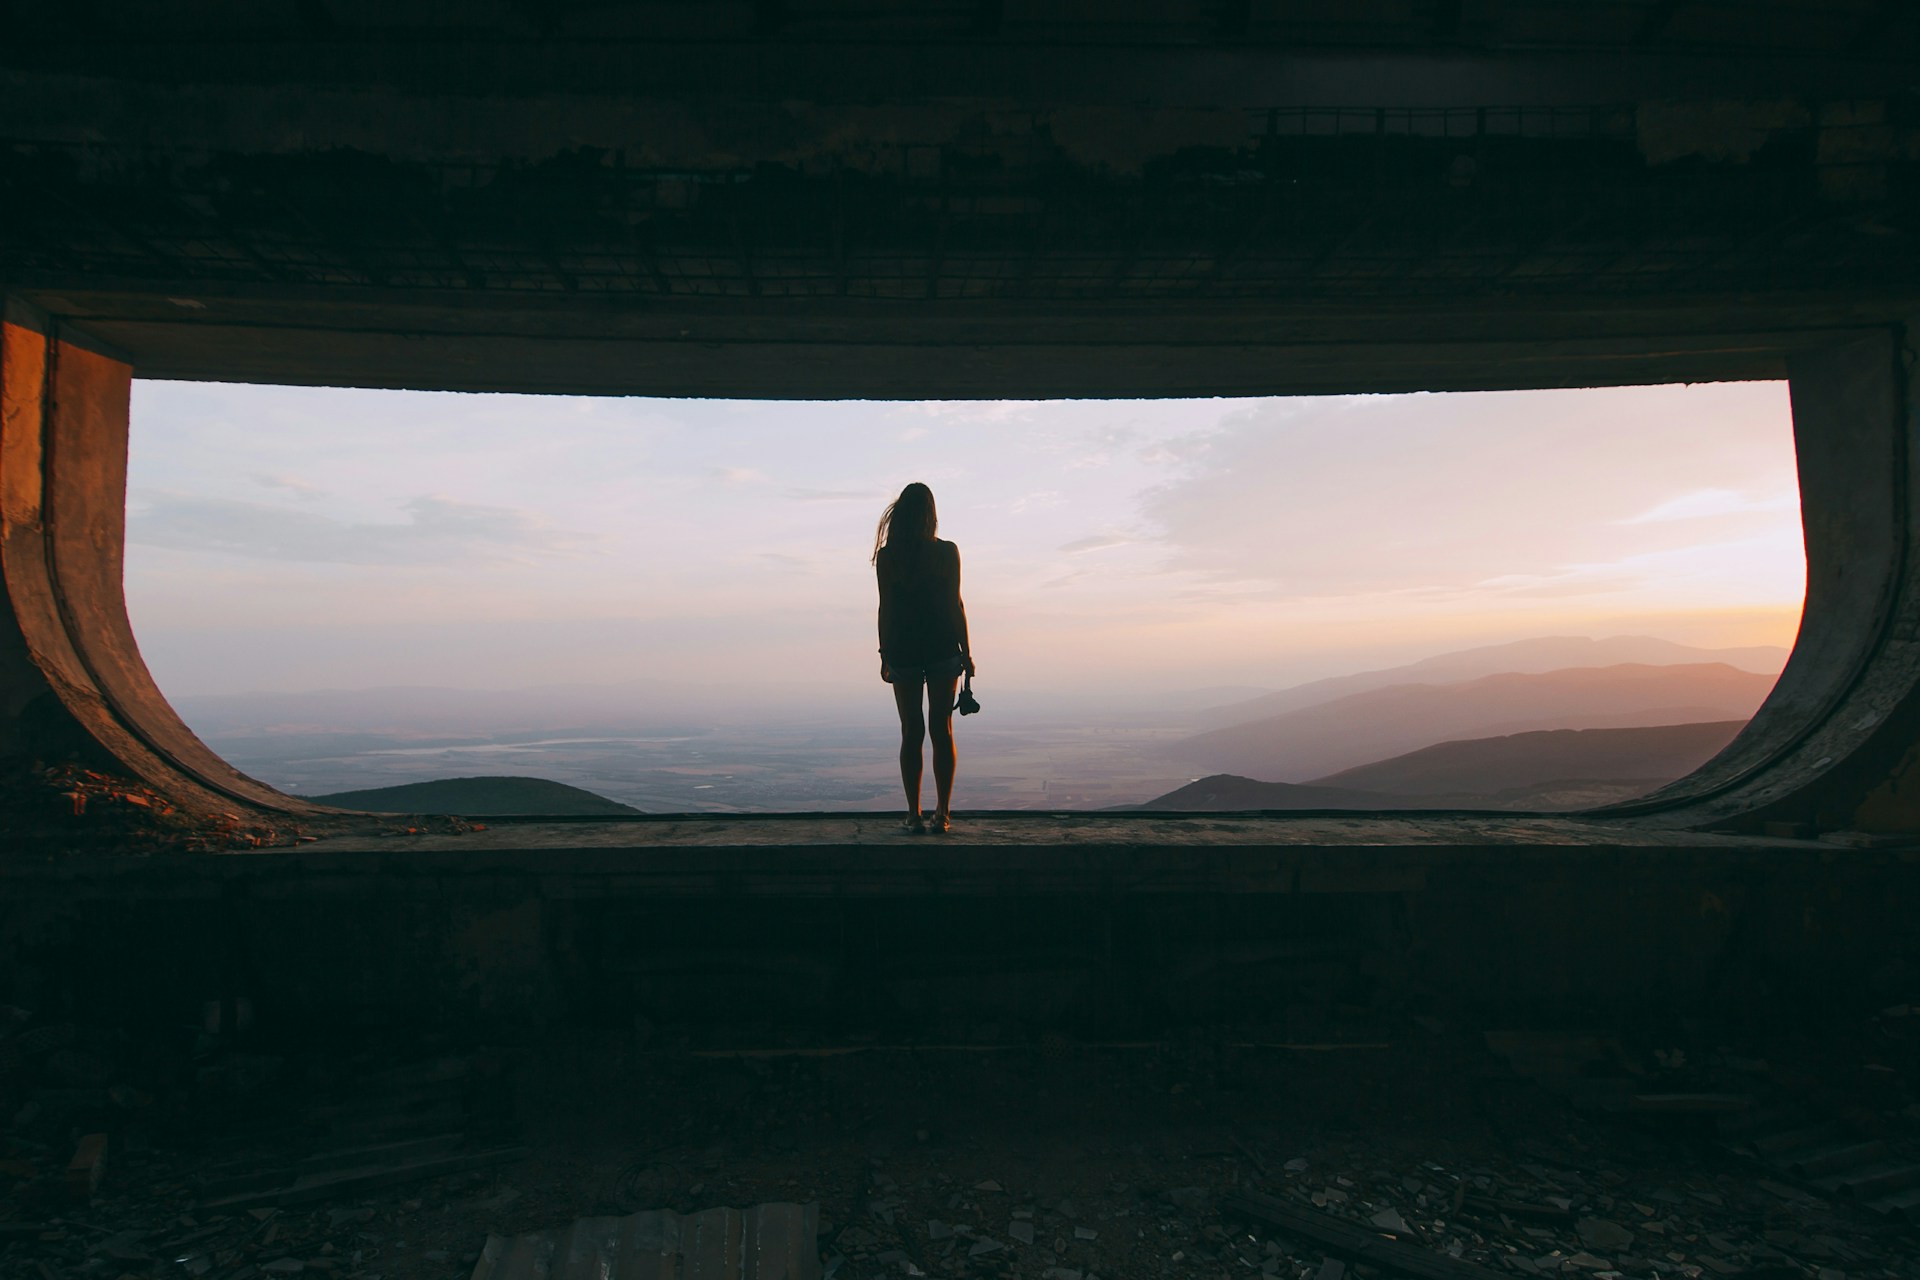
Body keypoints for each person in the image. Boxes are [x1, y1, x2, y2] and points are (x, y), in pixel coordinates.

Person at [873, 482, 975, 834]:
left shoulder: (888, 557)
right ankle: (942, 814)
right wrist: (967, 652)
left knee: (911, 731)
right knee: (941, 730)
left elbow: (886, 608)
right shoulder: (947, 552)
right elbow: (956, 604)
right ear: (931, 514)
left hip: (903, 651)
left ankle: (914, 815)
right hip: (943, 647)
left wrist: (884, 652)